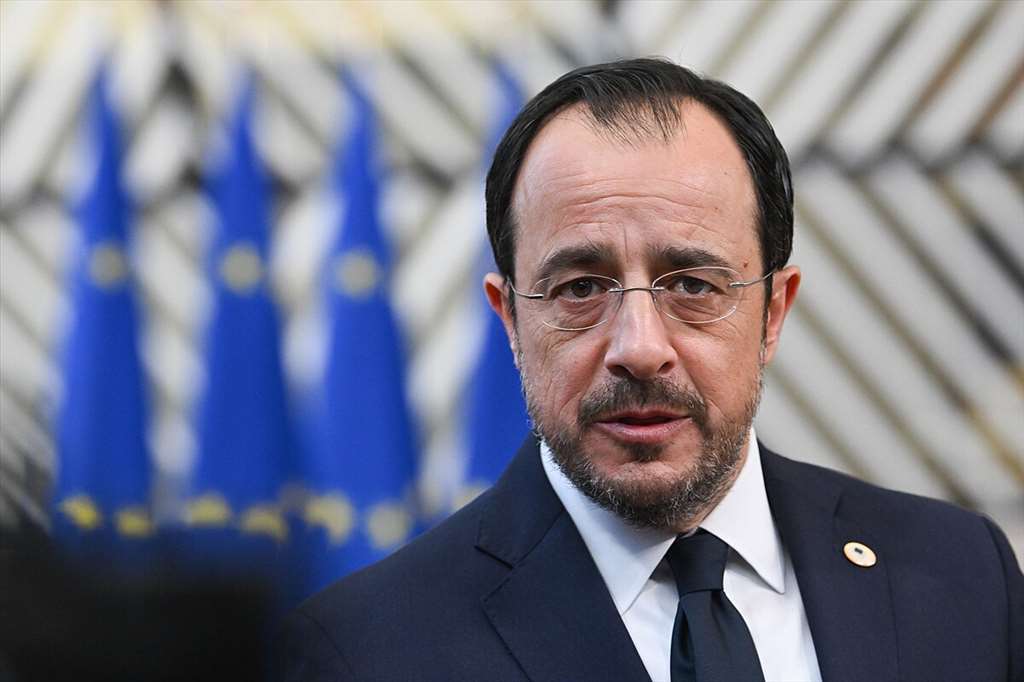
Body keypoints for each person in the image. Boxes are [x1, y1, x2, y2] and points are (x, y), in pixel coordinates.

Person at [281, 58, 1023, 682]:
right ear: (511, 321)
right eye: (580, 288)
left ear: (773, 312)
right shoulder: (364, 652)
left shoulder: (965, 579)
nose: (638, 347)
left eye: (693, 285)